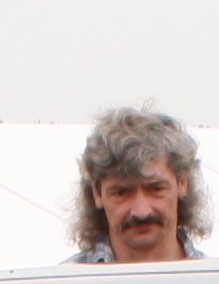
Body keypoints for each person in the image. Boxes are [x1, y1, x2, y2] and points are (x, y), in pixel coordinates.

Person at [68, 106, 207, 263]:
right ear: (97, 194)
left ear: (182, 183)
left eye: (156, 189)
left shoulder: (217, 277)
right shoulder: (64, 278)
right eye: (121, 193)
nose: (141, 212)